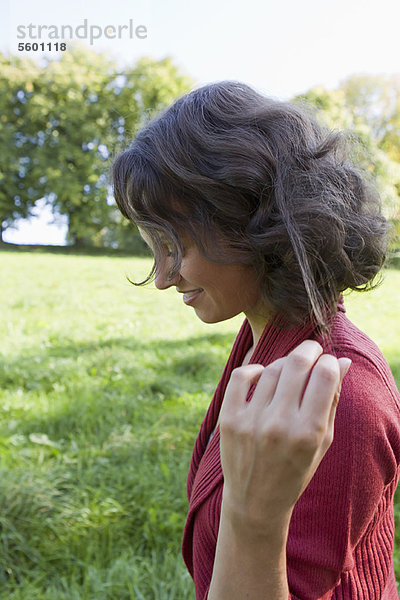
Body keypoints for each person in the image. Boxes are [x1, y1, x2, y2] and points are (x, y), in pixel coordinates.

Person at [112, 81, 400, 599]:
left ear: (254, 222)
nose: (162, 276)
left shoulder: (341, 397)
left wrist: (253, 519)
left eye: (174, 242)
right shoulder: (264, 336)